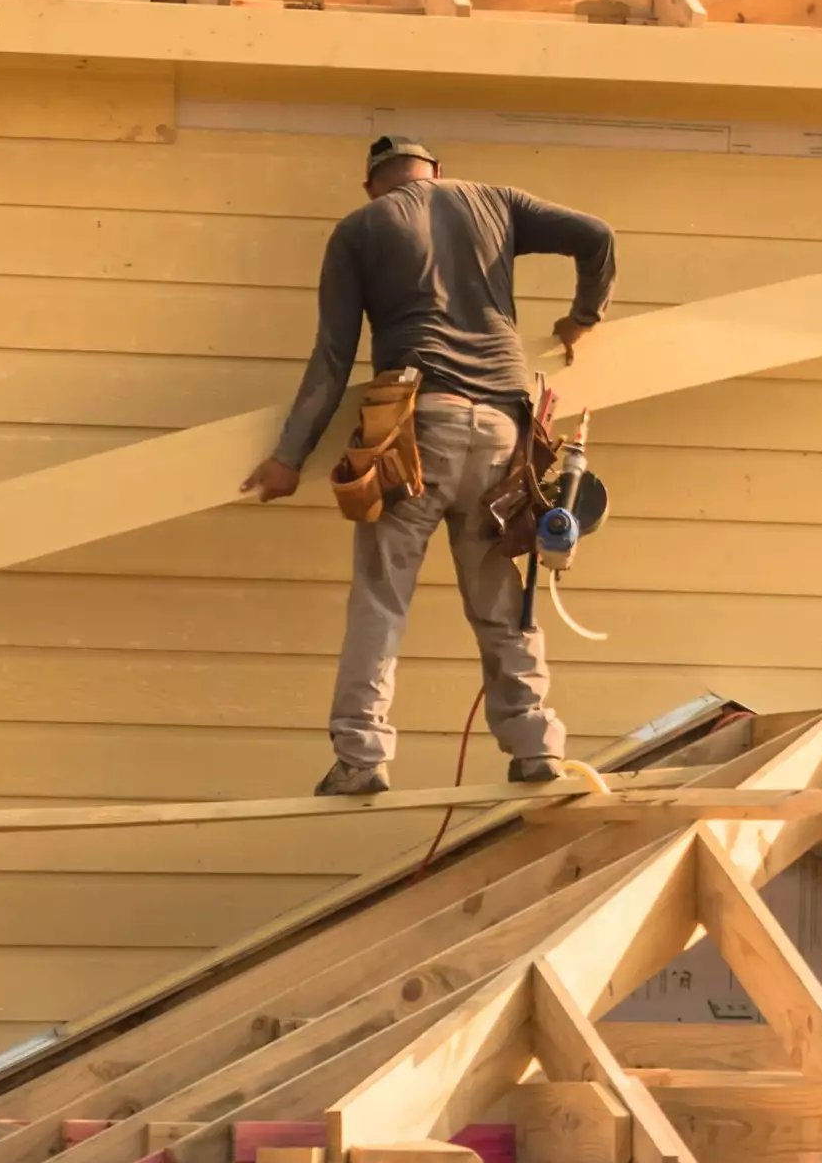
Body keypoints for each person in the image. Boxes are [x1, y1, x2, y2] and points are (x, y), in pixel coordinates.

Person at [240, 134, 615, 796]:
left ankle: (361, 753)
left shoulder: (361, 227)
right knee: (503, 602)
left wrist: (286, 459)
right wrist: (582, 317)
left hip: (418, 428)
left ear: (372, 184)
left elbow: (333, 357)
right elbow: (595, 234)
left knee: (382, 597)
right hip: (505, 434)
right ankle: (535, 746)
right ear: (437, 170)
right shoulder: (494, 200)